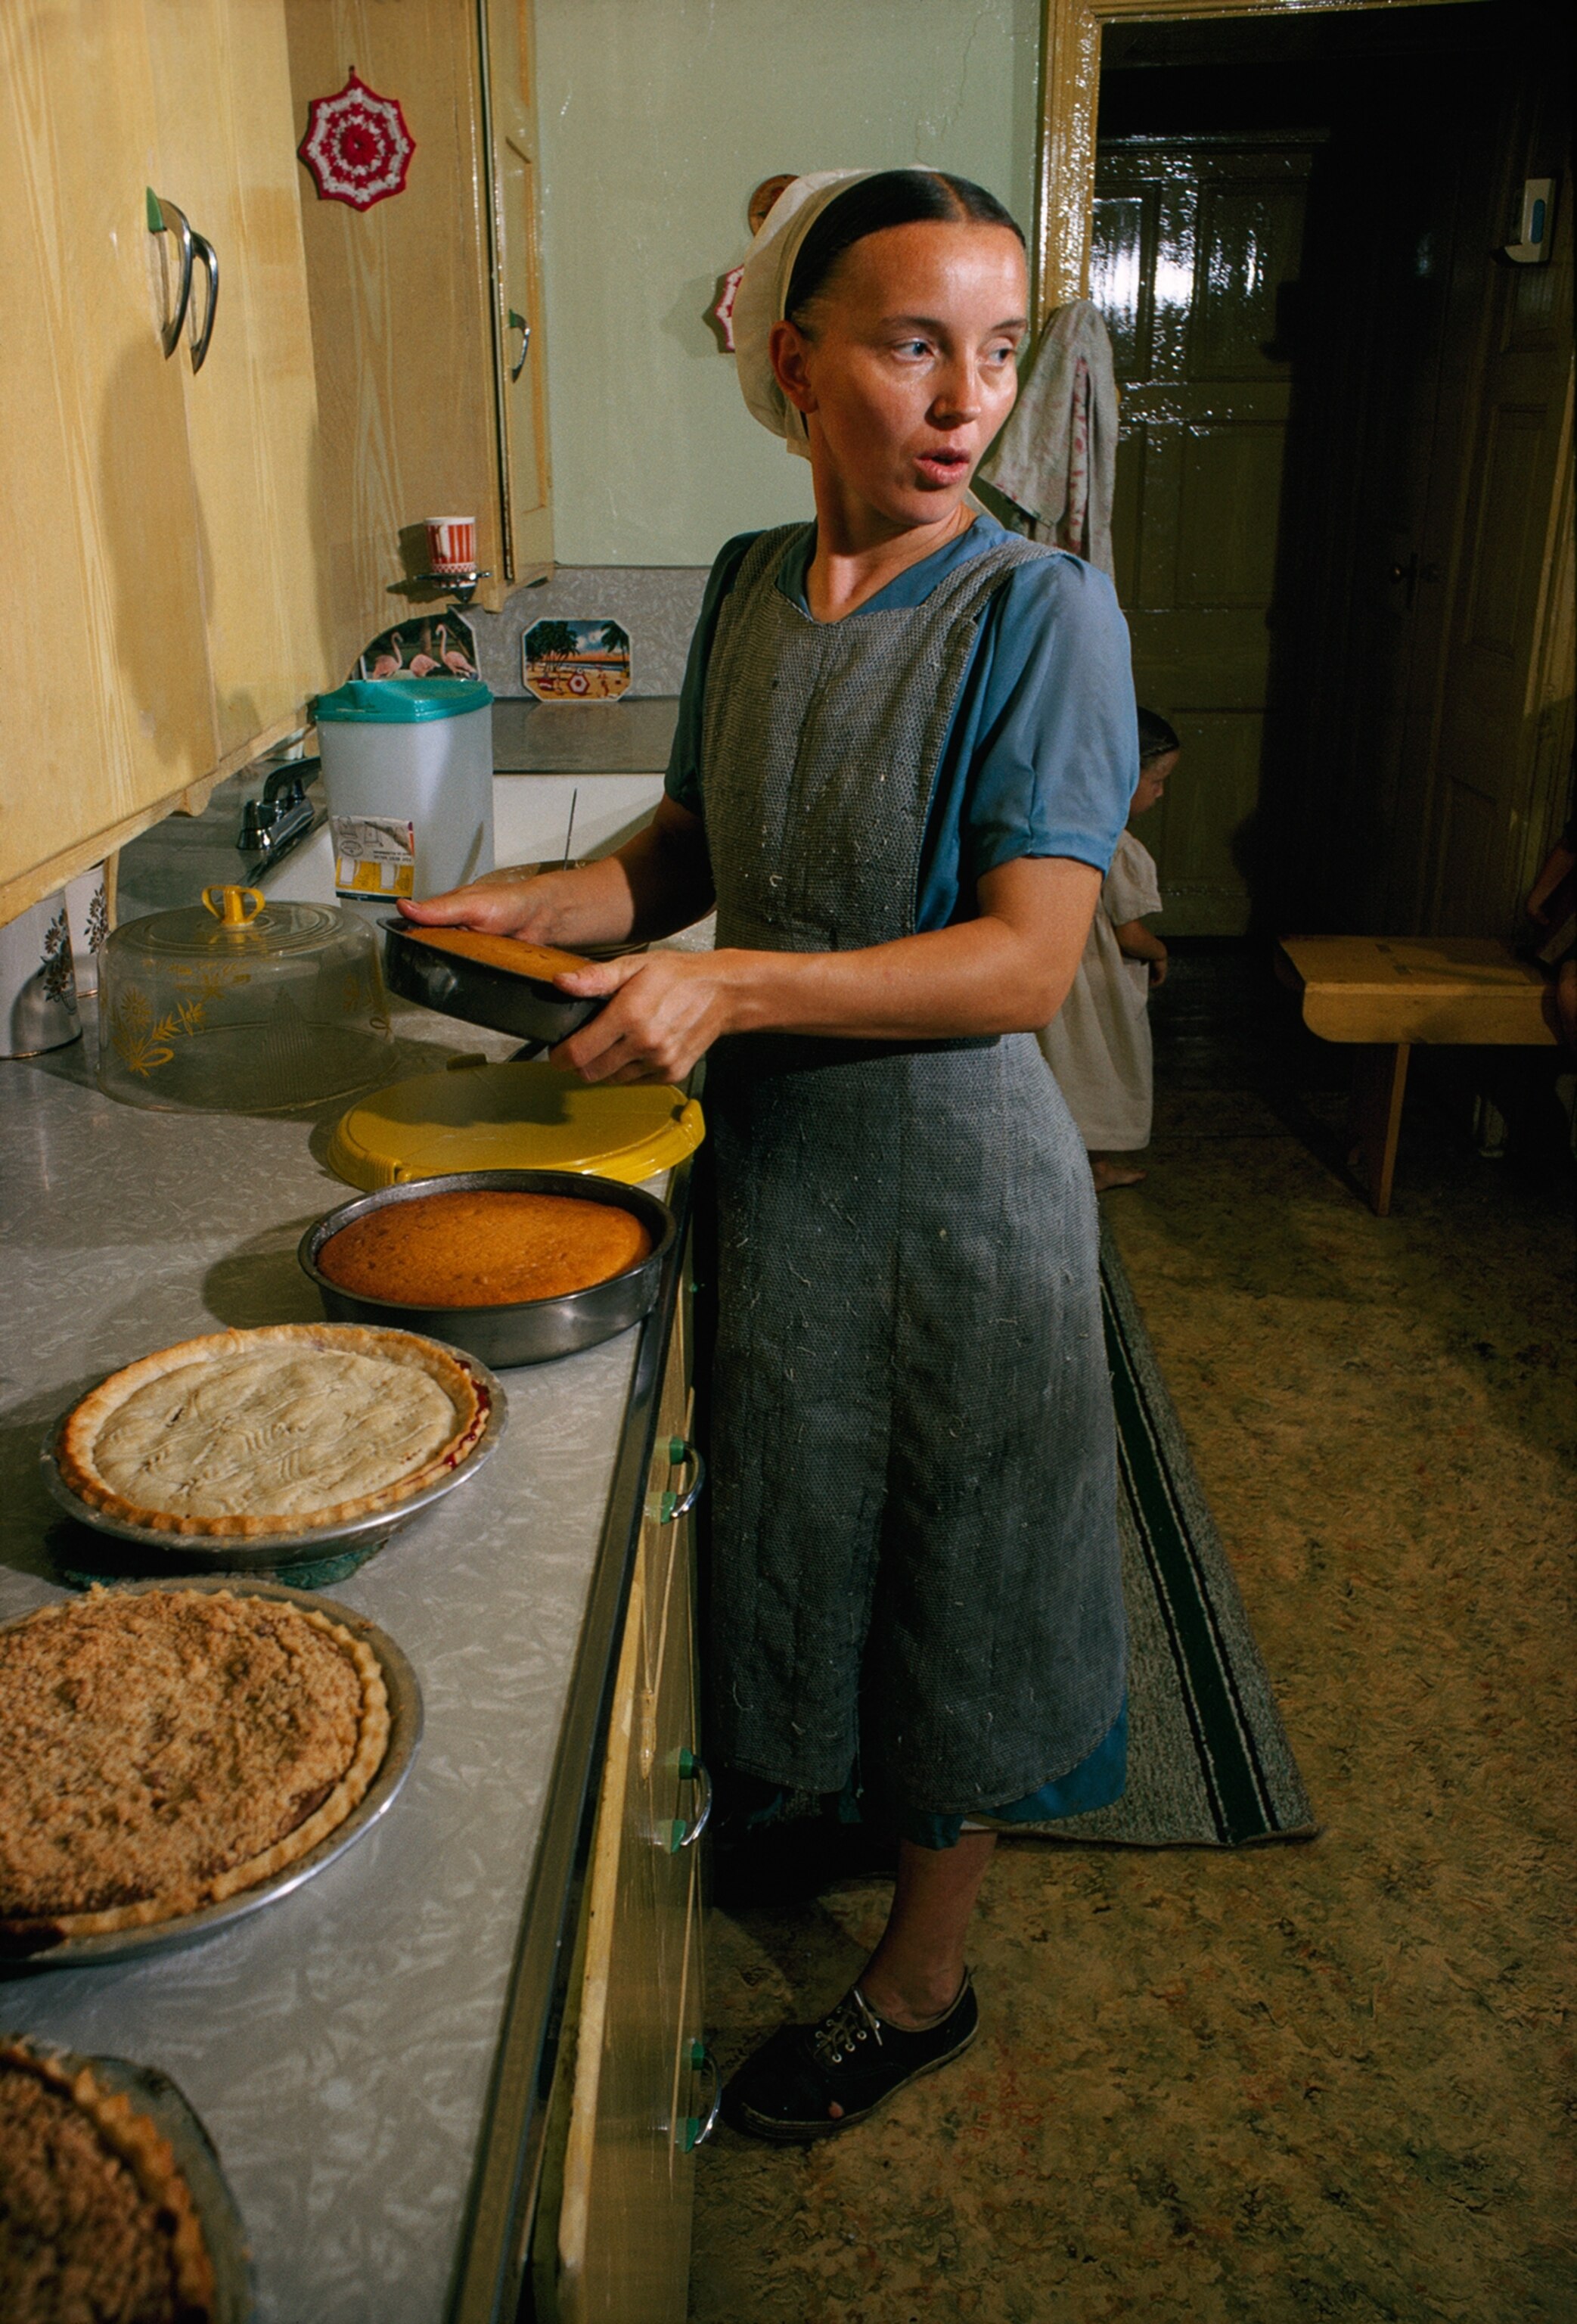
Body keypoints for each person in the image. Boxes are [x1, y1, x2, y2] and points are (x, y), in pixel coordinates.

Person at [401, 167, 1137, 2142]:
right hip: (792, 1185)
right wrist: (542, 905)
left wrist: (723, 999)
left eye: (992, 351)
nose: (961, 397)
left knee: (950, 1581)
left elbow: (1024, 956)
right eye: (912, 346)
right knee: (803, 1526)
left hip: (958, 1200)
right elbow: (687, 853)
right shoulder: (743, 583)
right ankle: (807, 1811)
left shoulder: (1037, 607)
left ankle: (920, 1982)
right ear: (796, 363)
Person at [1037, 710, 1178, 1190]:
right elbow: (1129, 933)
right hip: (1098, 984)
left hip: (1066, 975)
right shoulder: (1119, 847)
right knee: (1099, 1062)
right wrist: (1159, 951)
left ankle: (1091, 1167)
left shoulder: (1062, 823)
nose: (1162, 793)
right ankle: (1085, 1170)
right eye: (1157, 780)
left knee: (1071, 1062)